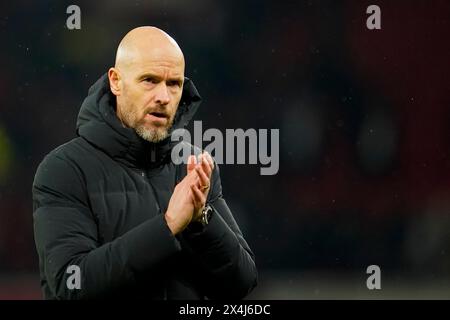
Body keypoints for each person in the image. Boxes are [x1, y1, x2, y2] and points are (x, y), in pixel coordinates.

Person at [32, 26, 257, 299]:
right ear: (116, 81)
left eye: (173, 84)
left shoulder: (192, 166)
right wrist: (168, 226)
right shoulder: (64, 169)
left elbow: (241, 283)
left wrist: (201, 221)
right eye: (149, 80)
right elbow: (72, 285)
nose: (163, 97)